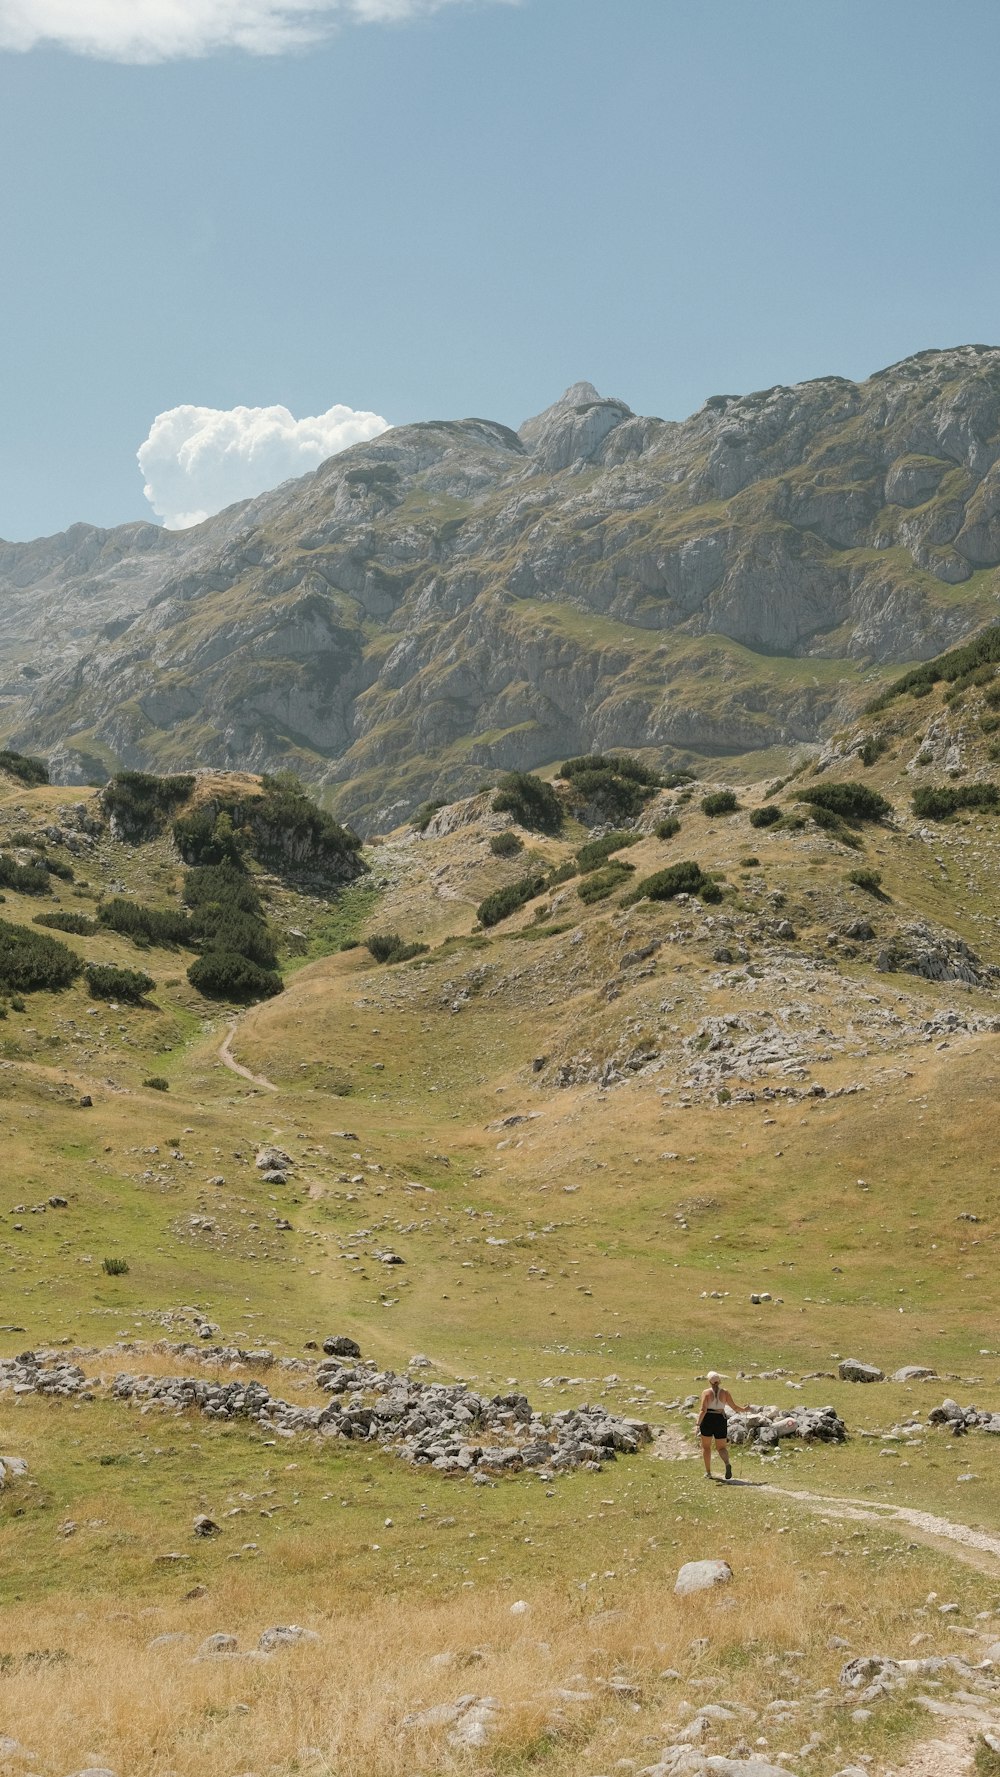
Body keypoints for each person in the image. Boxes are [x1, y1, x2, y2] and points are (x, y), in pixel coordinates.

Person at [697, 1371, 747, 1481]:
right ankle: (727, 1463)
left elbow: (703, 1410)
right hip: (720, 1419)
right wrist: (745, 1409)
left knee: (706, 1447)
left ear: (709, 1381)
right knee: (721, 1447)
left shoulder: (706, 1393)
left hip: (708, 1419)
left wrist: (698, 1423)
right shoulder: (725, 1393)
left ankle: (708, 1472)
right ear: (719, 1381)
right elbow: (734, 1407)